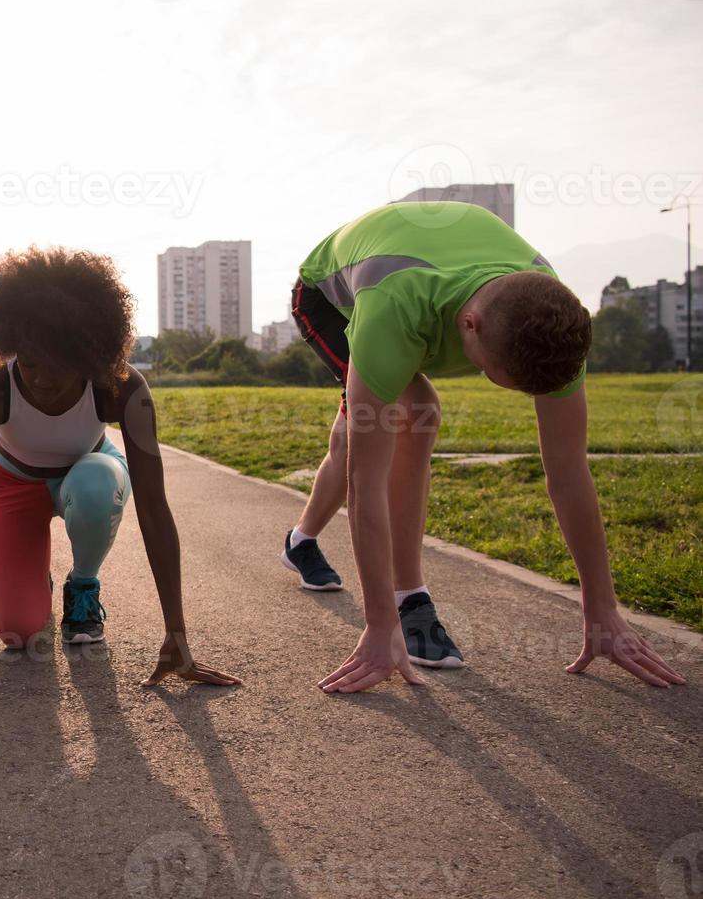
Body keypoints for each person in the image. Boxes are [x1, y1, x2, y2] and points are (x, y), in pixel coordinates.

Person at [281, 200, 686, 693]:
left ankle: (301, 541)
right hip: (328, 294)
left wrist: (602, 609)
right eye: (502, 379)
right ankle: (408, 599)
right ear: (469, 326)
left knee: (367, 434)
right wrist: (377, 625)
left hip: (431, 277)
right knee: (415, 412)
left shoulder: (550, 316)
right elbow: (366, 483)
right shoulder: (395, 304)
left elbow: (568, 470)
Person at [0, 246, 240, 699]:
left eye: (59, 367)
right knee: (19, 633)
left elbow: (156, 512)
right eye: (31, 362)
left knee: (95, 486)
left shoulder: (121, 388)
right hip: (13, 483)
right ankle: (30, 574)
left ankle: (82, 586)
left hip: (90, 472)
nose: (41, 379)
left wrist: (177, 636)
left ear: (90, 355)